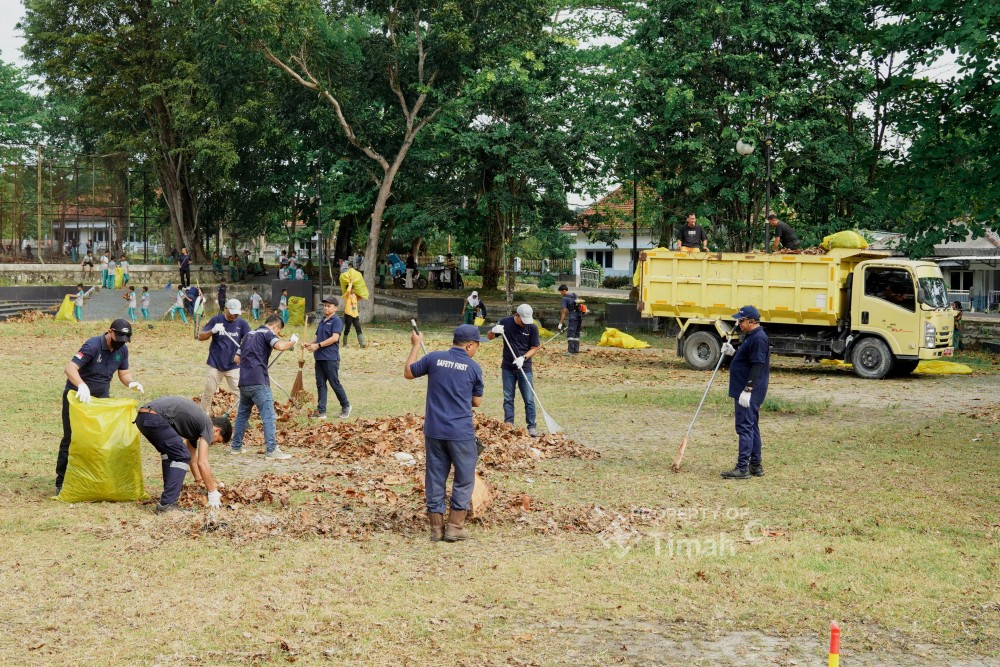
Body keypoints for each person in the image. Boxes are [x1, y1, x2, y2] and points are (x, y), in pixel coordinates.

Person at [404, 323, 485, 542]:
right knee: (463, 478)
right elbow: (476, 401)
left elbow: (408, 373)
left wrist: (415, 345)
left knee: (435, 477)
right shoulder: (473, 367)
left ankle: (436, 529)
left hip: (434, 430)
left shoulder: (434, 359)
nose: (477, 350)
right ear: (469, 345)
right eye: (477, 345)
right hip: (461, 433)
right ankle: (455, 527)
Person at [56, 319, 144, 492]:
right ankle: (62, 481)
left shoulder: (122, 350)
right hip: (77, 398)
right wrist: (81, 385)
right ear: (110, 332)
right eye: (118, 338)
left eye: (124, 340)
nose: (121, 343)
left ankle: (93, 477)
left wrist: (131, 383)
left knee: (100, 439)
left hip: (101, 400)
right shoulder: (93, 345)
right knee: (72, 437)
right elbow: (70, 368)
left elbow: (124, 373)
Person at [135, 396, 232, 513]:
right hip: (154, 417)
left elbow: (192, 457)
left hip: (143, 418)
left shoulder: (196, 427)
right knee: (181, 456)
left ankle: (168, 498)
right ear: (216, 430)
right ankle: (168, 504)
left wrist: (199, 480)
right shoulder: (207, 425)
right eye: (218, 440)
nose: (214, 443)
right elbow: (202, 462)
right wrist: (212, 492)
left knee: (171, 454)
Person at [229, 314, 298, 459]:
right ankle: (272, 450)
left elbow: (236, 359)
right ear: (275, 326)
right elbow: (279, 345)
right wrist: (292, 341)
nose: (277, 334)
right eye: (278, 332)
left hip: (244, 382)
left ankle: (236, 446)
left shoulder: (248, 335)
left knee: (242, 415)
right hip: (259, 382)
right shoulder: (267, 334)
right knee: (269, 416)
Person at [719, 305, 770, 479]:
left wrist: (748, 389)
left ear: (752, 321)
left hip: (748, 391)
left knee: (745, 428)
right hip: (746, 389)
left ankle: (742, 468)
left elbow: (757, 365)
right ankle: (755, 465)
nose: (739, 323)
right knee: (752, 426)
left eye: (741, 320)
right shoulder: (751, 337)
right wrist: (733, 353)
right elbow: (747, 360)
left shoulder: (758, 338)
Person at [487, 304, 540, 436]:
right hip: (508, 368)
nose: (524, 323)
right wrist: (494, 330)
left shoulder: (532, 327)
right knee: (508, 398)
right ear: (517, 315)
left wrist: (524, 358)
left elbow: (534, 348)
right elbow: (489, 337)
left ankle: (532, 426)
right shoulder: (505, 322)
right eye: (522, 320)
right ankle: (508, 424)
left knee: (528, 398)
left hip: (524, 367)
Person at [197, 298, 251, 415]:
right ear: (226, 309)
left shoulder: (242, 324)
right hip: (215, 363)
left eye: (237, 313)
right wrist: (213, 330)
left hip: (234, 365)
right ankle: (202, 416)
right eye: (232, 313)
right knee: (209, 391)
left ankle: (242, 418)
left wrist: (242, 352)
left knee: (239, 392)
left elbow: (249, 341)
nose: (234, 316)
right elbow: (200, 336)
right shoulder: (216, 320)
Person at [304, 296, 351, 420]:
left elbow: (335, 338)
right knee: (320, 384)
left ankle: (346, 406)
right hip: (319, 357)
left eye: (329, 306)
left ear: (335, 308)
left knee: (334, 383)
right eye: (325, 305)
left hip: (330, 357)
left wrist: (317, 345)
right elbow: (317, 336)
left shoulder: (337, 321)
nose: (326, 307)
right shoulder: (323, 320)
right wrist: (309, 344)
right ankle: (321, 411)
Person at [339, 259, 367, 347]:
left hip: (355, 314)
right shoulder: (346, 295)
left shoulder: (355, 296)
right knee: (347, 329)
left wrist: (362, 291)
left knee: (358, 328)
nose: (353, 290)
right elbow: (347, 290)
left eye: (353, 289)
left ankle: (362, 343)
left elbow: (360, 296)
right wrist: (350, 282)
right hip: (348, 314)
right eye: (352, 289)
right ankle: (345, 343)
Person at [557, 284, 583, 354]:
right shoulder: (575, 295)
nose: (561, 293)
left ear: (564, 290)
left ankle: (570, 351)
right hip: (579, 317)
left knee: (571, 334)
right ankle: (576, 350)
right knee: (576, 334)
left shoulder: (565, 299)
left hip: (573, 318)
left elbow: (563, 312)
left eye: (561, 292)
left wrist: (560, 323)